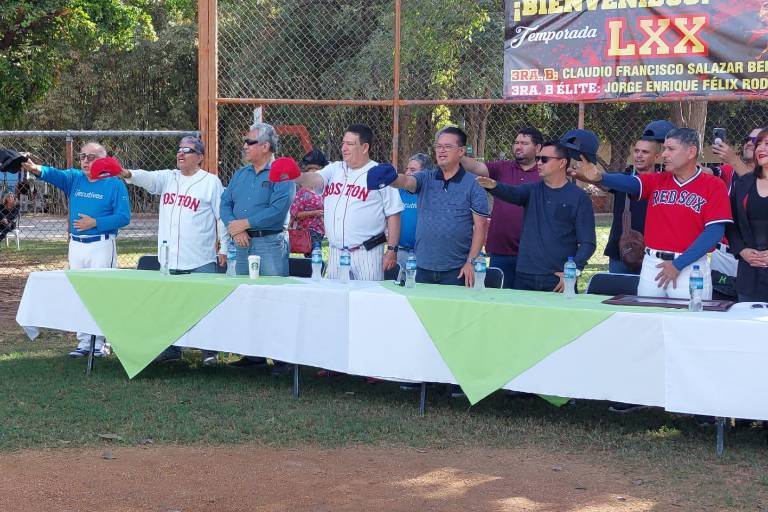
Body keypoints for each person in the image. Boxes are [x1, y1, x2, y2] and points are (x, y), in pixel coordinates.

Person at [570, 128, 733, 299]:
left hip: (689, 266)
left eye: (671, 149)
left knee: (687, 322)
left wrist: (678, 265)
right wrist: (600, 177)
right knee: (646, 318)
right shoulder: (659, 180)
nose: (664, 154)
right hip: (652, 264)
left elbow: (714, 232)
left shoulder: (713, 185)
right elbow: (630, 183)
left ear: (691, 152)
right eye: (664, 149)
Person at [121, 136, 226, 365]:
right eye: (179, 150)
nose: (181, 154)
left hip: (200, 257)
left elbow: (221, 218)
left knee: (204, 304)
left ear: (199, 157)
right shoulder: (169, 178)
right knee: (169, 305)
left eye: (187, 150)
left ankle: (209, 350)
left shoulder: (210, 182)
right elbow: (147, 178)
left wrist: (224, 248)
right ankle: (171, 348)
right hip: (170, 258)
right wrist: (127, 173)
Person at [21, 142, 130, 358]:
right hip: (77, 245)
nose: (86, 161)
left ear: (104, 160)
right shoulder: (75, 179)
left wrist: (96, 223)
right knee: (80, 293)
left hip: (101, 244)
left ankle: (100, 343)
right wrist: (35, 169)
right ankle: (83, 342)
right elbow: (53, 174)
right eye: (83, 156)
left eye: (92, 157)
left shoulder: (114, 184)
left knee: (102, 294)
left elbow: (124, 217)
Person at [277, 124, 402, 281]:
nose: (344, 148)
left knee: (366, 301)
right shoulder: (335, 169)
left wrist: (392, 251)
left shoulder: (380, 173)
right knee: (336, 302)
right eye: (343, 143)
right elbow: (314, 178)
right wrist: (296, 176)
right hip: (336, 251)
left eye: (350, 144)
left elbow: (394, 214)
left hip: (367, 253)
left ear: (364, 147)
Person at [476, 134, 597, 292]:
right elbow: (511, 192)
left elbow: (588, 243)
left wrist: (573, 271)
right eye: (538, 158)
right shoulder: (532, 190)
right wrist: (493, 186)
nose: (539, 163)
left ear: (562, 163)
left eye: (544, 159)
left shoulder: (579, 198)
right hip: (524, 276)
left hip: (558, 279)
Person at [374, 127, 489, 287]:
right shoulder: (426, 177)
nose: (441, 151)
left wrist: (471, 261)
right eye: (438, 146)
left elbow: (481, 226)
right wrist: (391, 178)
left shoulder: (473, 184)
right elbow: (407, 181)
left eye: (448, 147)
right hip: (421, 267)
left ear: (461, 151)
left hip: (457, 270)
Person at [462, 127, 544, 287]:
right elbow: (475, 167)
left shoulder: (545, 173)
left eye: (524, 143)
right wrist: (457, 153)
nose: (518, 146)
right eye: (516, 142)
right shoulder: (502, 168)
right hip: (500, 252)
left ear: (538, 148)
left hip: (533, 254)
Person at [221, 122, 296, 277]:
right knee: (239, 292)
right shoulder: (240, 174)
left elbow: (278, 210)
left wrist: (245, 224)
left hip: (269, 244)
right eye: (245, 142)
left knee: (273, 294)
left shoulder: (283, 173)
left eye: (250, 142)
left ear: (265, 146)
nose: (244, 146)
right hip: (241, 243)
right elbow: (225, 203)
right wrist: (236, 231)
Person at [604, 120, 671, 274]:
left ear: (657, 156)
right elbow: (601, 181)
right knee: (616, 297)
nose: (639, 155)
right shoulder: (623, 179)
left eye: (645, 152)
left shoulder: (666, 182)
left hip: (655, 255)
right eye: (636, 151)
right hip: (622, 253)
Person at [727, 127, 768, 302]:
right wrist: (741, 250)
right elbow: (731, 224)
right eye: (758, 144)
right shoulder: (743, 184)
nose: (760, 148)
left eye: (767, 144)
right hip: (748, 273)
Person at [396, 153, 431, 273]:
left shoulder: (429, 194)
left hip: (423, 253)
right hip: (400, 251)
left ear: (425, 173)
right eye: (407, 169)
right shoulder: (399, 192)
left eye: (413, 170)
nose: (408, 173)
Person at [290, 150, 326, 255]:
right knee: (314, 258)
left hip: (320, 231)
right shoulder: (303, 193)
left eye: (317, 171)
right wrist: (313, 213)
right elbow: (295, 214)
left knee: (315, 259)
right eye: (312, 171)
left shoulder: (322, 190)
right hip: (308, 232)